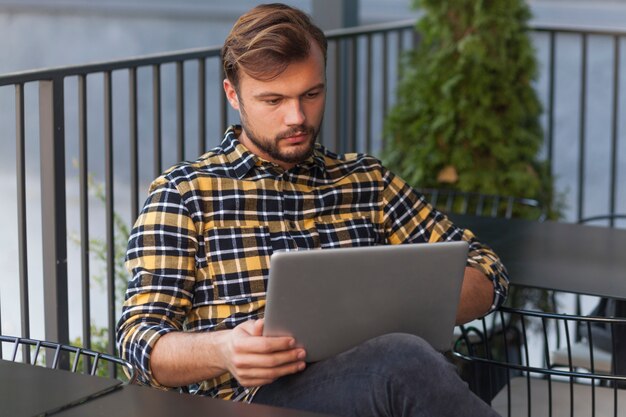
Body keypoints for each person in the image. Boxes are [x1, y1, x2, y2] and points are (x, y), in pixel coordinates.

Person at [116, 3, 506, 416]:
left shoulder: (366, 181)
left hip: (373, 388)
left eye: (311, 94)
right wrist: (224, 349)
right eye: (273, 100)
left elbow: (487, 270)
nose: (297, 117)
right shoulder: (185, 194)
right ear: (233, 94)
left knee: (401, 359)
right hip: (253, 403)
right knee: (402, 362)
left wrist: (398, 312)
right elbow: (139, 341)